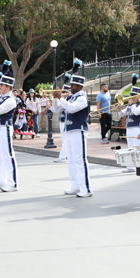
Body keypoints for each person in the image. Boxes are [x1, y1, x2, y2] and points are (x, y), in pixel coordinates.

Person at [52, 69, 92, 198]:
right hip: (69, 130)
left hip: (78, 130)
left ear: (80, 86)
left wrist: (61, 98)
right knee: (71, 161)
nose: (71, 87)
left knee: (80, 160)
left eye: (73, 85)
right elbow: (56, 109)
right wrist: (55, 99)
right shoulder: (70, 97)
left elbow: (72, 108)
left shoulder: (82, 98)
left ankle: (85, 188)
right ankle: (75, 186)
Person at [0, 61, 19, 192]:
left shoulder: (11, 100)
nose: (0, 87)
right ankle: (1, 180)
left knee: (8, 155)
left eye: (2, 85)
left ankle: (13, 183)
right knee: (0, 156)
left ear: (8, 87)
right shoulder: (1, 97)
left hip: (5, 128)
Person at [119, 86, 140, 174]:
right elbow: (121, 114)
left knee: (139, 148)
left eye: (133, 95)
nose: (131, 97)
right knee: (130, 148)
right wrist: (119, 110)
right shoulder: (130, 105)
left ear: (138, 96)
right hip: (129, 128)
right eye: (131, 95)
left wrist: (132, 105)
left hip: (137, 128)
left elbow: (136, 112)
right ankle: (130, 166)